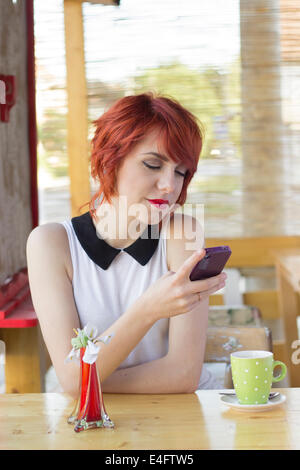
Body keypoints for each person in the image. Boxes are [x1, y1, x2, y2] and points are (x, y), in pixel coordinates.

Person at [26, 92, 226, 398]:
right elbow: (71, 378)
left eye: (180, 171)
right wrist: (148, 309)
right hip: (96, 419)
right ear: (110, 161)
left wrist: (84, 381)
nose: (170, 186)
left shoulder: (182, 233)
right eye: (152, 164)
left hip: (181, 412)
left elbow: (184, 376)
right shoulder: (51, 244)